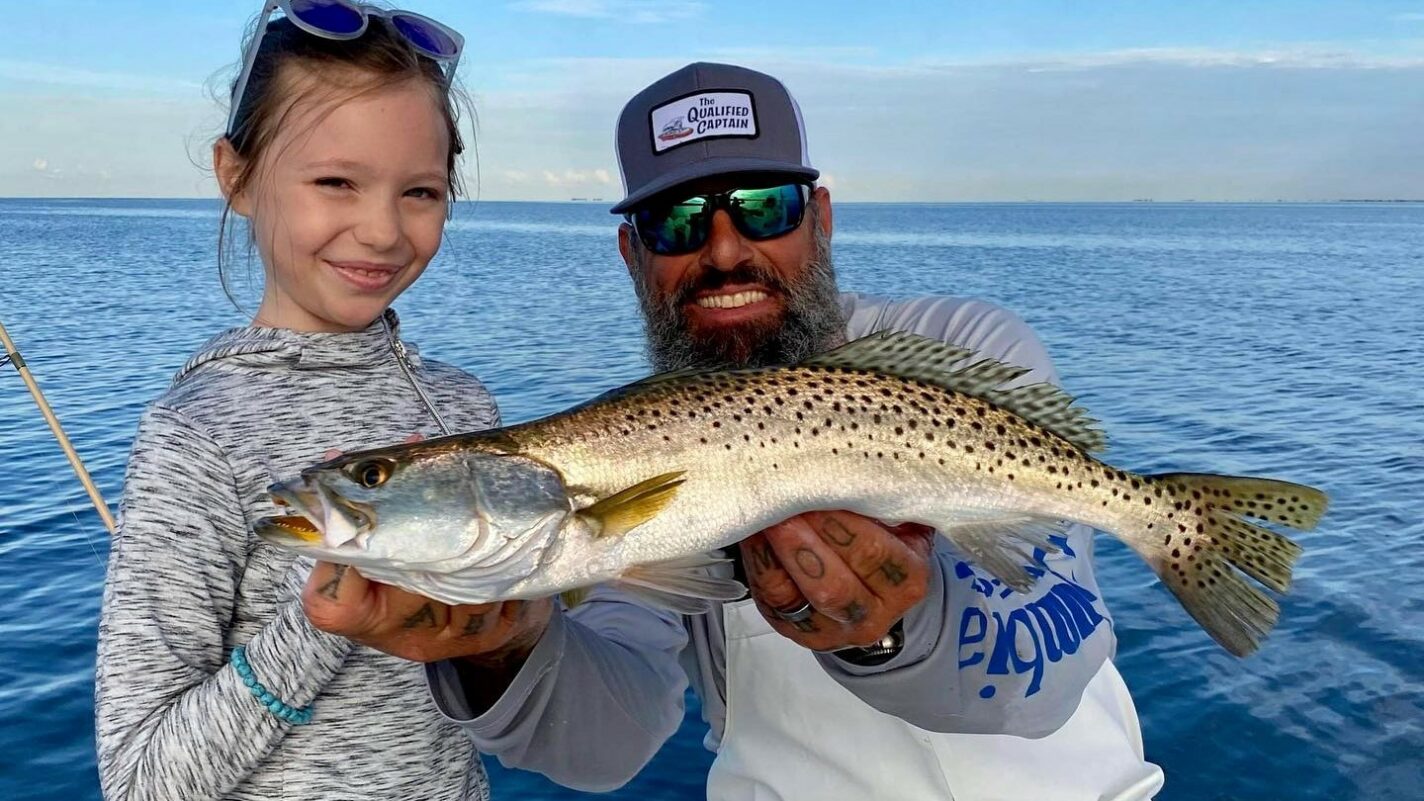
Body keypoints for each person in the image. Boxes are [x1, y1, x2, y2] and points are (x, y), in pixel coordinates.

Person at [94, 7, 684, 800]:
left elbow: (509, 666)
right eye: (336, 182)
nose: (380, 230)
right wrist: (319, 625)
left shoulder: (459, 402)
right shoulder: (194, 435)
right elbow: (139, 777)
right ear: (235, 174)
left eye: (420, 192)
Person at [606, 62, 1168, 800]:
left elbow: (1051, 668)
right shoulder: (629, 446)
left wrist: (886, 633)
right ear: (633, 253)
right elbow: (603, 743)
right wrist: (501, 653)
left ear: (822, 217)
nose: (723, 250)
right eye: (674, 222)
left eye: (765, 207)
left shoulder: (961, 349)